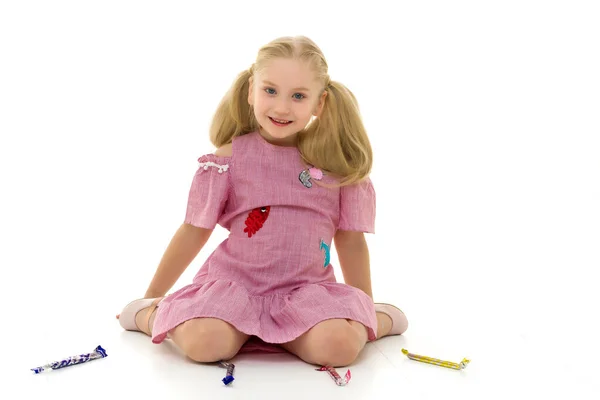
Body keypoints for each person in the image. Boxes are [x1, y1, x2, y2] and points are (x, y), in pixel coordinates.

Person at [117, 35, 408, 368]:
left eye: (298, 96)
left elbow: (351, 242)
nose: (282, 107)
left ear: (320, 103)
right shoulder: (229, 158)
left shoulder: (336, 166)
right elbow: (194, 229)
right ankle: (154, 314)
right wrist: (152, 293)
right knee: (205, 344)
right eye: (270, 91)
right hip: (235, 287)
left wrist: (363, 308)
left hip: (306, 290)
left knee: (338, 347)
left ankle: (376, 319)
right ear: (251, 89)